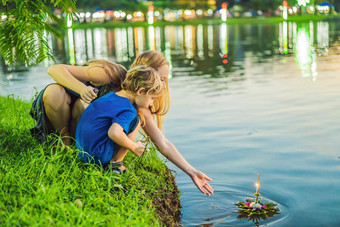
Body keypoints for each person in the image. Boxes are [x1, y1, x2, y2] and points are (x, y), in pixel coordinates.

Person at [30, 51, 214, 196]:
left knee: (111, 112)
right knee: (59, 94)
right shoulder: (111, 74)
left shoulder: (139, 104)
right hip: (62, 116)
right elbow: (54, 69)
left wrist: (192, 171)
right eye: (161, 79)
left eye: (165, 80)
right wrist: (82, 89)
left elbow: (163, 143)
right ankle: (65, 146)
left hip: (87, 136)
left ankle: (95, 157)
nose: (163, 86)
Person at [76, 65, 163, 173]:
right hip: (97, 156)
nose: (151, 103)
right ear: (140, 91)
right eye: (152, 98)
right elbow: (114, 133)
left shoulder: (111, 96)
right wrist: (134, 147)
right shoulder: (129, 109)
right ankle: (116, 163)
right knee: (136, 120)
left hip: (82, 152)